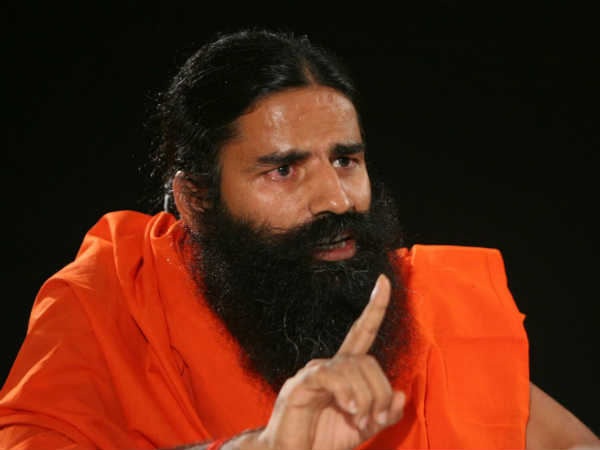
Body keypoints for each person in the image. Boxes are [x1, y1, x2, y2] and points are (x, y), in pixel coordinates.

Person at [0, 30, 598, 450]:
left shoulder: (419, 303)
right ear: (197, 201)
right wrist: (263, 447)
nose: (335, 200)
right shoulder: (111, 298)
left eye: (345, 161)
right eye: (283, 170)